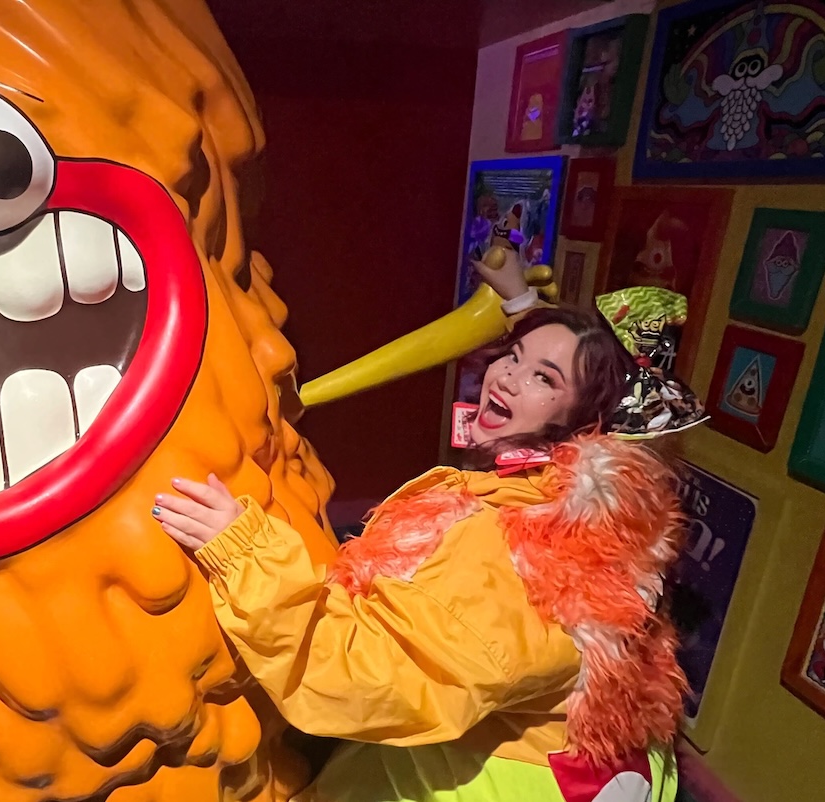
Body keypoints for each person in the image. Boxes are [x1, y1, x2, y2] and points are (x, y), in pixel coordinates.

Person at [151, 256, 688, 802]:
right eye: (513, 355)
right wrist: (518, 302)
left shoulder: (525, 561)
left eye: (541, 378)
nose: (504, 375)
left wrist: (245, 552)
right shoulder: (603, 502)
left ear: (582, 424)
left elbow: (369, 678)